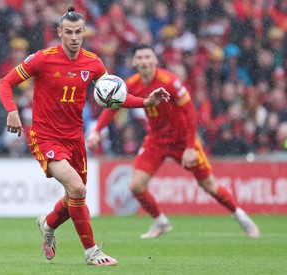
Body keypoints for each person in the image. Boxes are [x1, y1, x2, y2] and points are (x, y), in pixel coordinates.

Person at [0, 7, 170, 266]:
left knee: (73, 199)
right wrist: (12, 112)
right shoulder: (42, 59)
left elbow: (115, 97)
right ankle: (91, 252)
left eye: (79, 32)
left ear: (84, 33)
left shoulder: (93, 63)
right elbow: (4, 83)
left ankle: (48, 224)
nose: (74, 37)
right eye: (69, 32)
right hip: (45, 137)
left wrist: (146, 101)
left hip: (74, 138)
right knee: (77, 188)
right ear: (60, 33)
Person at [87, 44, 259, 239]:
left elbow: (191, 113)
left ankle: (241, 216)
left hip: (182, 140)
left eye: (147, 57)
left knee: (209, 185)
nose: (143, 61)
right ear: (134, 62)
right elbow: (113, 107)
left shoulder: (169, 82)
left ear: (154, 61)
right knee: (135, 186)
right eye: (140, 58)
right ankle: (161, 221)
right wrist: (97, 131)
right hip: (156, 140)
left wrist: (189, 146)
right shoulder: (132, 84)